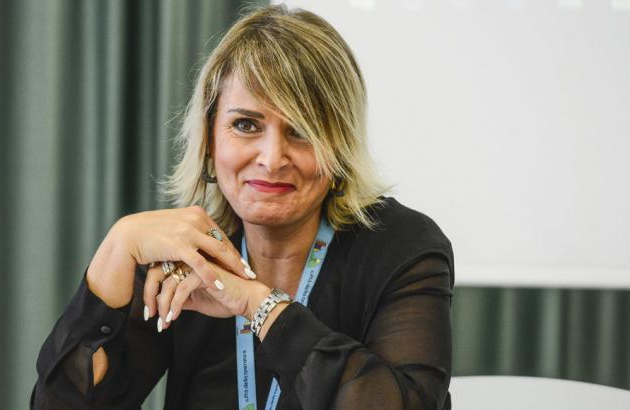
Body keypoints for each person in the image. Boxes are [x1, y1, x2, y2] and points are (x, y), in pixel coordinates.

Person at [31, 4, 454, 410]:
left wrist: (255, 303)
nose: (272, 158)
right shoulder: (185, 252)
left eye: (301, 130)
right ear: (209, 139)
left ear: (339, 146)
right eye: (246, 125)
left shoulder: (401, 245)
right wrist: (117, 245)